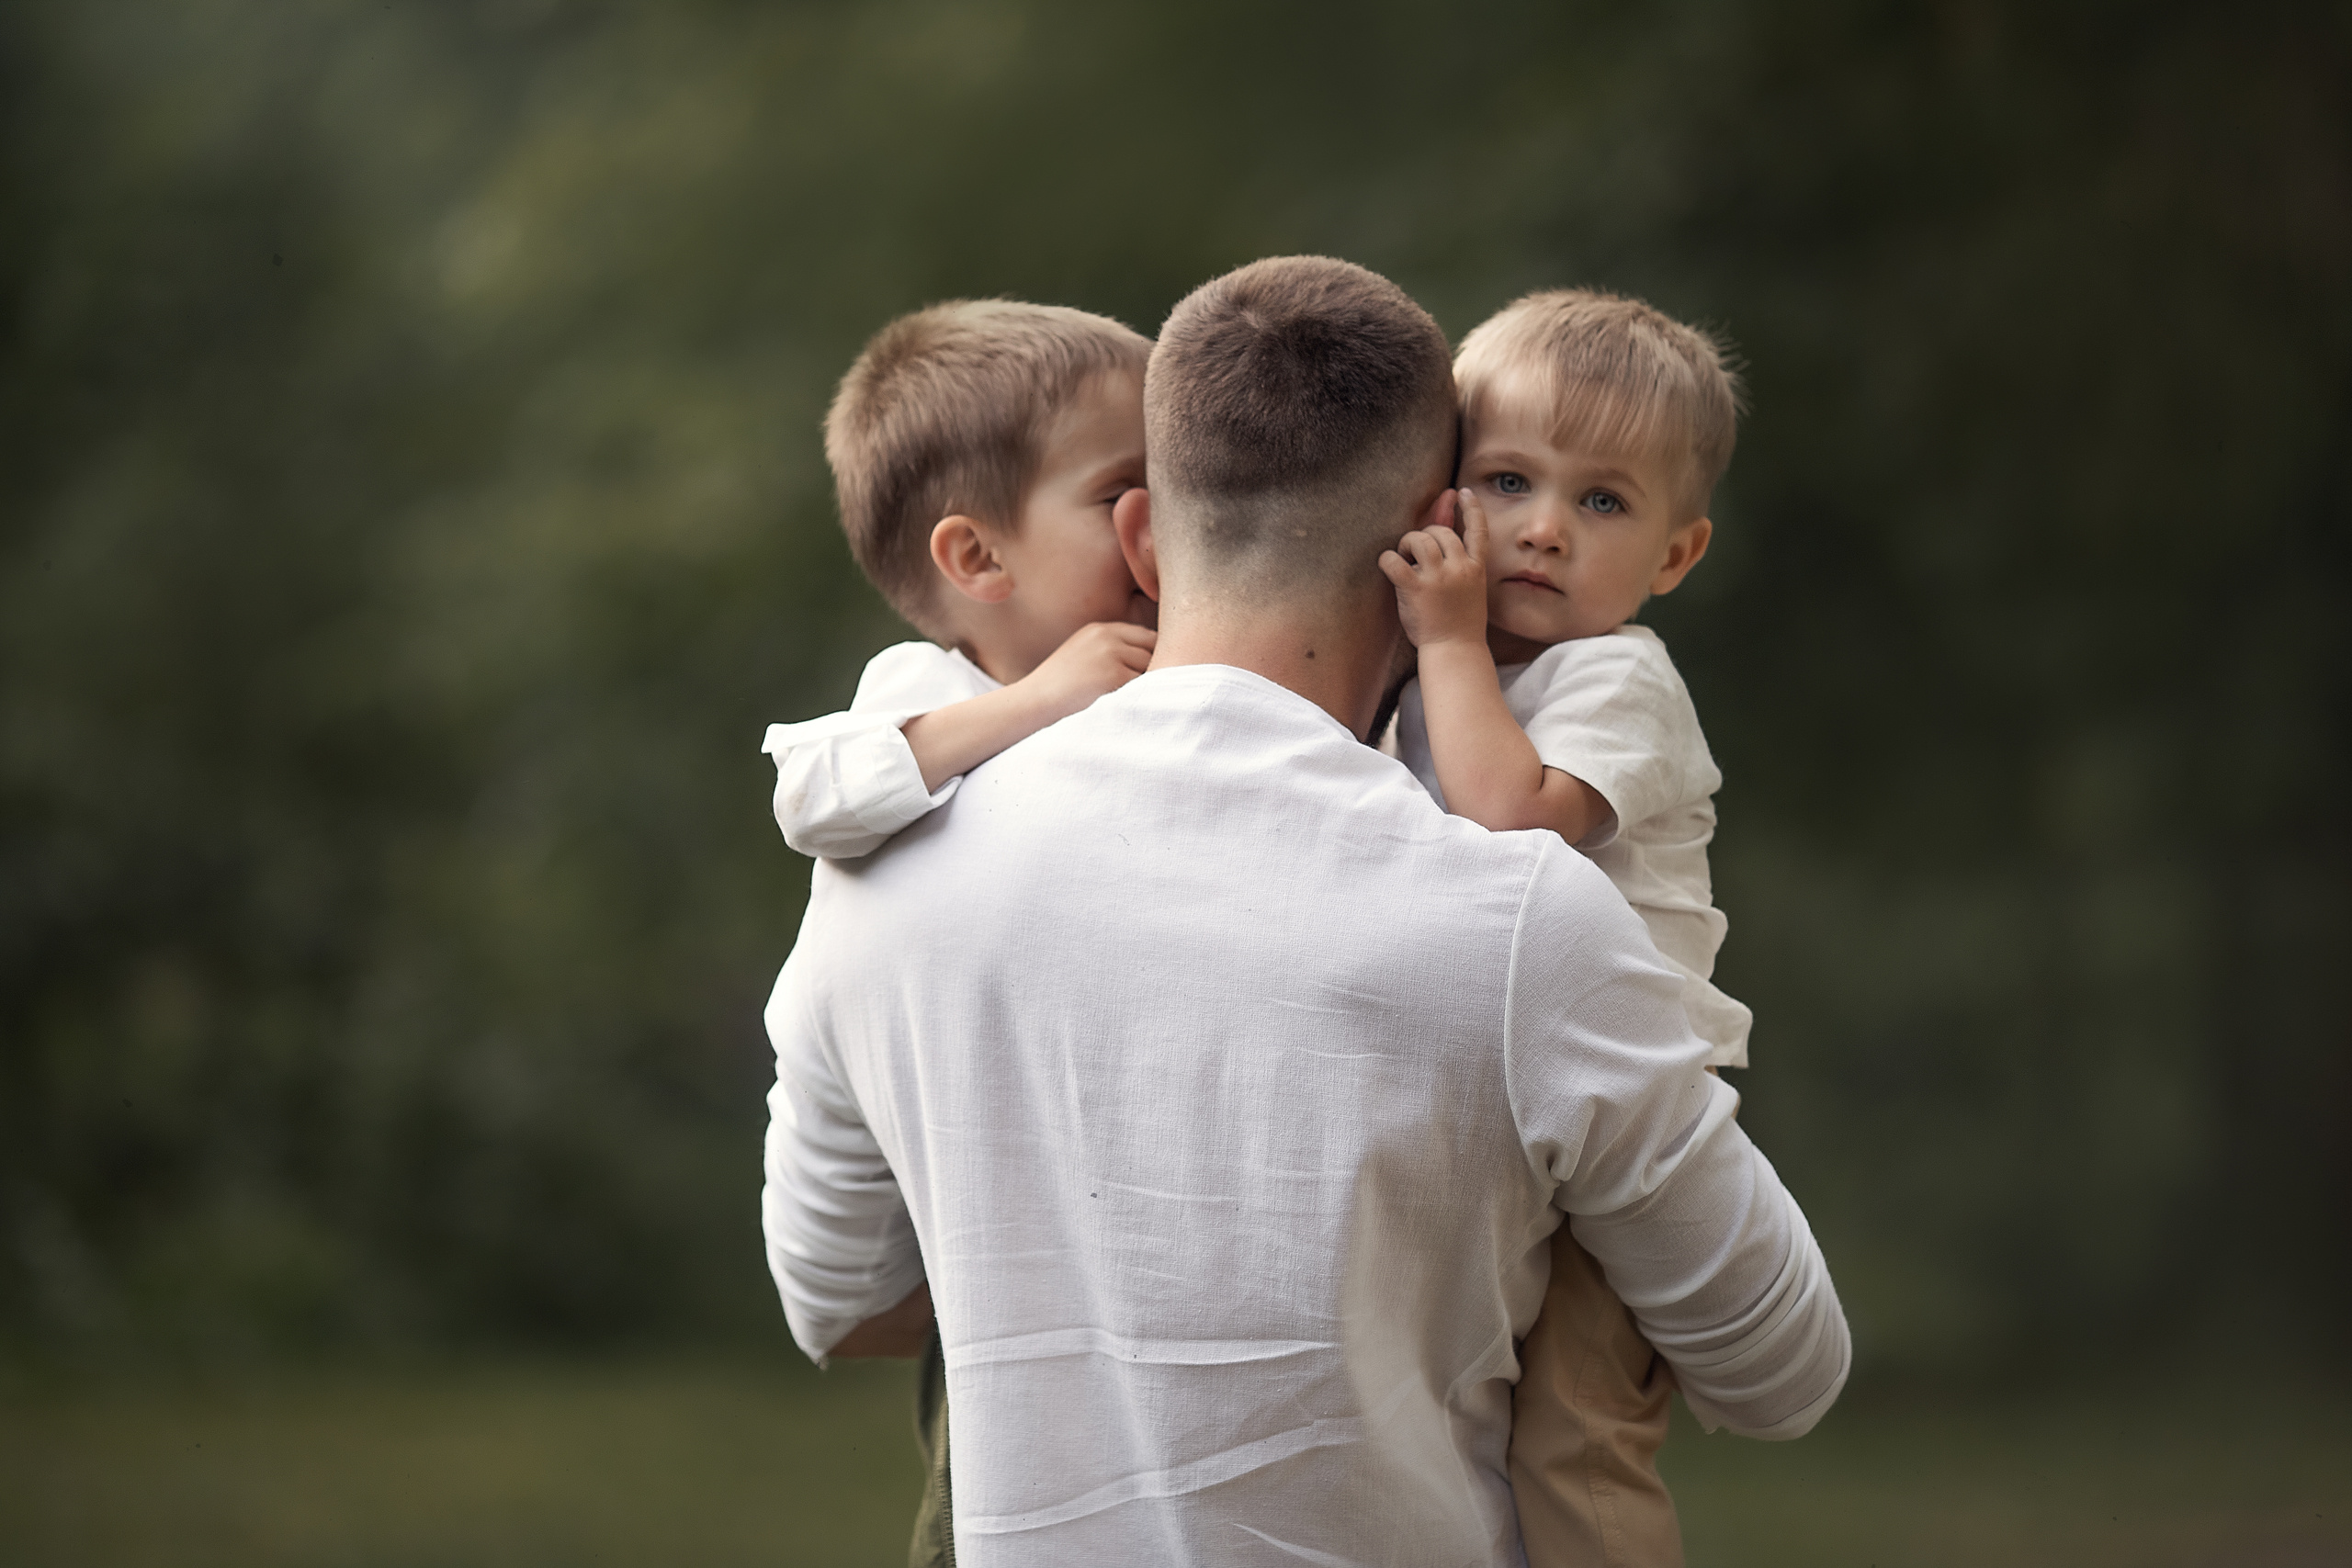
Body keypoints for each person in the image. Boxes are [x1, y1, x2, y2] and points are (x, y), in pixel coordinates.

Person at [763, 255, 1849, 1566]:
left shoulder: (882, 871)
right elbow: (1784, 1372)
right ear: (1434, 533)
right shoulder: (1520, 917)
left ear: (1149, 537)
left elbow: (836, 1300)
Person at [763, 298, 1160, 1563]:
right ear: (977, 560)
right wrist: (1044, 699)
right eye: (1126, 492)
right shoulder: (926, 684)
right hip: (860, 1255)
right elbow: (810, 796)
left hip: (977, 1224)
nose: (1169, 523)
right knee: (995, 1445)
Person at [1381, 288, 1752, 1564]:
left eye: (1601, 501)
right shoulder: (1428, 658)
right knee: (1458, 1418)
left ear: (1674, 556)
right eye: (1507, 481)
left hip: (1626, 1115)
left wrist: (1443, 639)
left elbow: (1512, 818)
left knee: (1576, 1438)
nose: (1543, 527)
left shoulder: (1618, 677)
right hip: (1504, 1096)